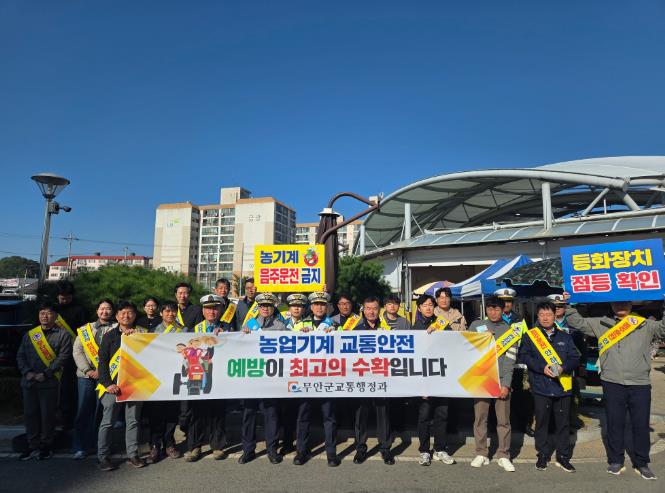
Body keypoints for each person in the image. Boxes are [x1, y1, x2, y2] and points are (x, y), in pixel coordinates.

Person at [564, 292, 665, 480]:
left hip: (640, 383)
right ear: (611, 304)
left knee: (640, 425)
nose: (620, 306)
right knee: (614, 423)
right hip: (612, 382)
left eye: (624, 302)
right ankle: (616, 460)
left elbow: (663, 329)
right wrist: (569, 304)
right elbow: (577, 323)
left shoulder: (645, 324)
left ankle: (642, 462)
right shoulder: (601, 323)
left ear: (631, 304)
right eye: (617, 302)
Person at [518, 301, 579, 473]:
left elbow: (575, 358)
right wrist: (541, 367)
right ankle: (543, 455)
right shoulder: (530, 336)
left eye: (549, 314)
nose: (545, 318)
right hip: (540, 386)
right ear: (537, 316)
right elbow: (524, 356)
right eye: (542, 314)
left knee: (563, 424)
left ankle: (563, 456)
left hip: (562, 387)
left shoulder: (565, 337)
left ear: (555, 315)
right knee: (542, 423)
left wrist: (563, 368)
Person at [17, 301, 73, 460]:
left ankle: (46, 445)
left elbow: (63, 357)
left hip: (49, 382)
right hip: (29, 382)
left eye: (48, 313)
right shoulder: (30, 334)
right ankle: (32, 445)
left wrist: (46, 373)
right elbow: (20, 355)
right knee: (30, 415)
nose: (45, 316)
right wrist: (27, 372)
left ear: (55, 316)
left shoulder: (63, 334)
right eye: (42, 313)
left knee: (48, 415)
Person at [468, 296, 517, 472]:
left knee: (503, 421)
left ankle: (503, 455)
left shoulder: (510, 331)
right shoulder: (476, 326)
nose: (493, 312)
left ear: (503, 310)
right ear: (486, 309)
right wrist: (481, 339)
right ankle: (481, 453)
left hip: (501, 381)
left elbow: (510, 360)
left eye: (496, 309)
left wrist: (506, 384)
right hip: (481, 379)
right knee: (480, 419)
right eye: (490, 308)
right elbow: (466, 349)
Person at [97, 301, 146, 471]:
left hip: (134, 386)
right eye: (122, 313)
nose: (126, 316)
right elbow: (102, 362)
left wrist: (138, 338)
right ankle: (103, 456)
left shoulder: (142, 334)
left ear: (135, 315)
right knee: (107, 422)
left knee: (133, 421)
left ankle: (133, 454)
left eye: (130, 312)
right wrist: (108, 384)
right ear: (117, 316)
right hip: (112, 387)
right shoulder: (109, 336)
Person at [238, 293, 286, 465]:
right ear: (258, 307)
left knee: (271, 414)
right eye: (263, 306)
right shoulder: (248, 325)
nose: (265, 308)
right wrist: (243, 335)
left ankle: (272, 449)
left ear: (273, 308)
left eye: (269, 306)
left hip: (271, 377)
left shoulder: (281, 327)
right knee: (249, 414)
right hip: (252, 376)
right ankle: (248, 450)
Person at [293, 291, 339, 467]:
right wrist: (300, 334)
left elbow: (344, 347)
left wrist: (335, 334)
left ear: (327, 307)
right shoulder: (300, 324)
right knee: (303, 416)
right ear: (311, 307)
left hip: (327, 377)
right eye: (316, 304)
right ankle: (301, 451)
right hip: (305, 377)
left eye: (322, 304)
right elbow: (288, 345)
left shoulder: (335, 325)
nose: (319, 307)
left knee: (329, 417)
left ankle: (331, 453)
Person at [412, 294, 456, 467]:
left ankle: (440, 449)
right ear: (419, 308)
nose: (428, 308)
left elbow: (453, 344)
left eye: (431, 304)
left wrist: (439, 331)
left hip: (441, 376)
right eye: (424, 305)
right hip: (424, 378)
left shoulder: (443, 324)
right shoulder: (415, 327)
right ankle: (424, 450)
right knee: (424, 416)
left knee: (442, 414)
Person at [350, 296, 394, 465]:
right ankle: (360, 448)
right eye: (368, 308)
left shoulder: (387, 329)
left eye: (375, 308)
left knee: (383, 415)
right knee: (361, 416)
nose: (371, 312)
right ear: (363, 310)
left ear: (379, 310)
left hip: (381, 377)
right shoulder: (356, 330)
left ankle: (385, 449)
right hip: (362, 377)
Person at [185, 295, 228, 462]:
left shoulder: (228, 328)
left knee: (218, 412)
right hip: (197, 375)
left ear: (220, 310)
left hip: (219, 376)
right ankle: (195, 446)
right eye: (208, 308)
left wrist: (226, 337)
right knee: (196, 413)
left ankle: (217, 446)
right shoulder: (194, 329)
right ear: (203, 311)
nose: (212, 311)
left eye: (215, 308)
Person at [71, 299, 117, 459]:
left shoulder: (117, 328)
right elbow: (77, 351)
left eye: (108, 309)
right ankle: (81, 446)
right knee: (84, 410)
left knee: (101, 412)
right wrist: (89, 370)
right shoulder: (86, 329)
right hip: (85, 376)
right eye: (102, 308)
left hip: (106, 377)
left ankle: (100, 445)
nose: (105, 311)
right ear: (97, 311)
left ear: (113, 311)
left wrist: (101, 372)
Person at [145, 301, 185, 463]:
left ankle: (169, 443)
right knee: (155, 414)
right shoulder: (152, 331)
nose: (170, 314)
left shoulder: (183, 331)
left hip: (175, 377)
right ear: (161, 313)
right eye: (167, 311)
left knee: (171, 413)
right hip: (156, 378)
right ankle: (155, 445)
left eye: (173, 311)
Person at [548, 293, 586, 432]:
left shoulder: (573, 322)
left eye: (561, 305)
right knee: (550, 396)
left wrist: (582, 364)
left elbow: (582, 345)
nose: (558, 308)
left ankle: (570, 421)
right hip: (549, 366)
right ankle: (551, 423)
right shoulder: (543, 322)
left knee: (570, 395)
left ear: (565, 307)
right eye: (555, 306)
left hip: (569, 367)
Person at [54, 280, 86, 430]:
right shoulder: (53, 310)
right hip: (53, 353)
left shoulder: (79, 310)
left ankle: (68, 420)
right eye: (62, 298)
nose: (65, 300)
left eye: (67, 297)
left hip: (72, 355)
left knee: (69, 389)